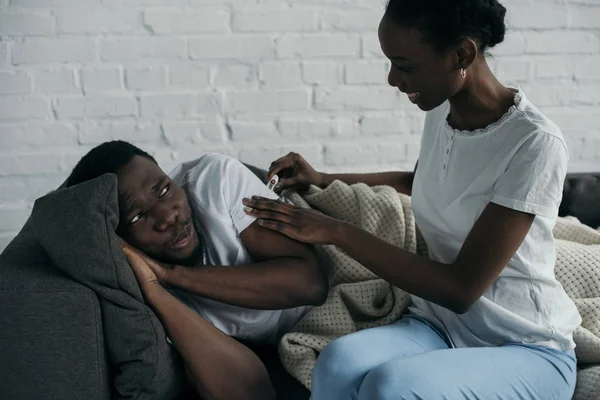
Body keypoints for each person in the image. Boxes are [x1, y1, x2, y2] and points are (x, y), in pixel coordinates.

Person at [243, 0, 581, 399]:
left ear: (462, 54)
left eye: (405, 66)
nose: (392, 79)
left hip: (525, 347)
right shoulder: (442, 112)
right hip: (440, 328)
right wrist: (321, 178)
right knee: (336, 363)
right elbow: (423, 179)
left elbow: (460, 289)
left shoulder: (534, 143)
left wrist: (337, 231)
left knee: (391, 387)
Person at [66, 141, 328, 400]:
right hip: (292, 342)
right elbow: (252, 391)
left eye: (165, 189)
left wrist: (171, 274)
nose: (167, 216)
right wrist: (155, 288)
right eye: (137, 217)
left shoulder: (215, 181)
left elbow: (311, 284)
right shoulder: (137, 299)